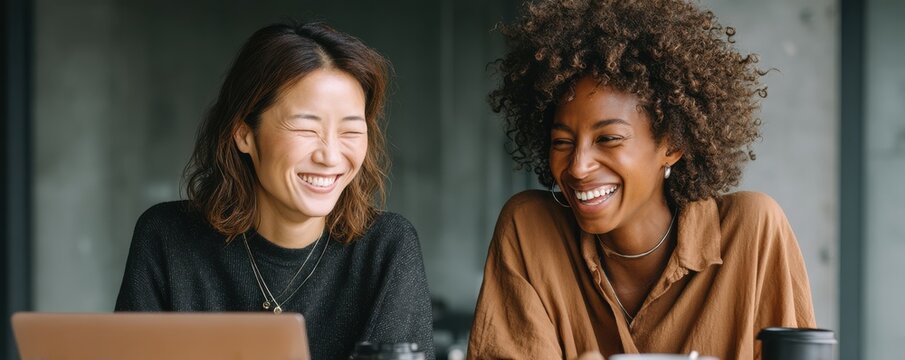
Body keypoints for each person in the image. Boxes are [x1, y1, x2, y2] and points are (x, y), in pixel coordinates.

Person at [468, 1, 815, 359]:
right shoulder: (529, 231)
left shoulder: (752, 230)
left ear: (673, 144)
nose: (578, 166)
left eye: (608, 139)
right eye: (563, 142)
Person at [115, 22, 434, 359]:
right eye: (305, 128)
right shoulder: (166, 237)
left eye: (351, 131)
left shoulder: (386, 248)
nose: (330, 155)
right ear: (244, 134)